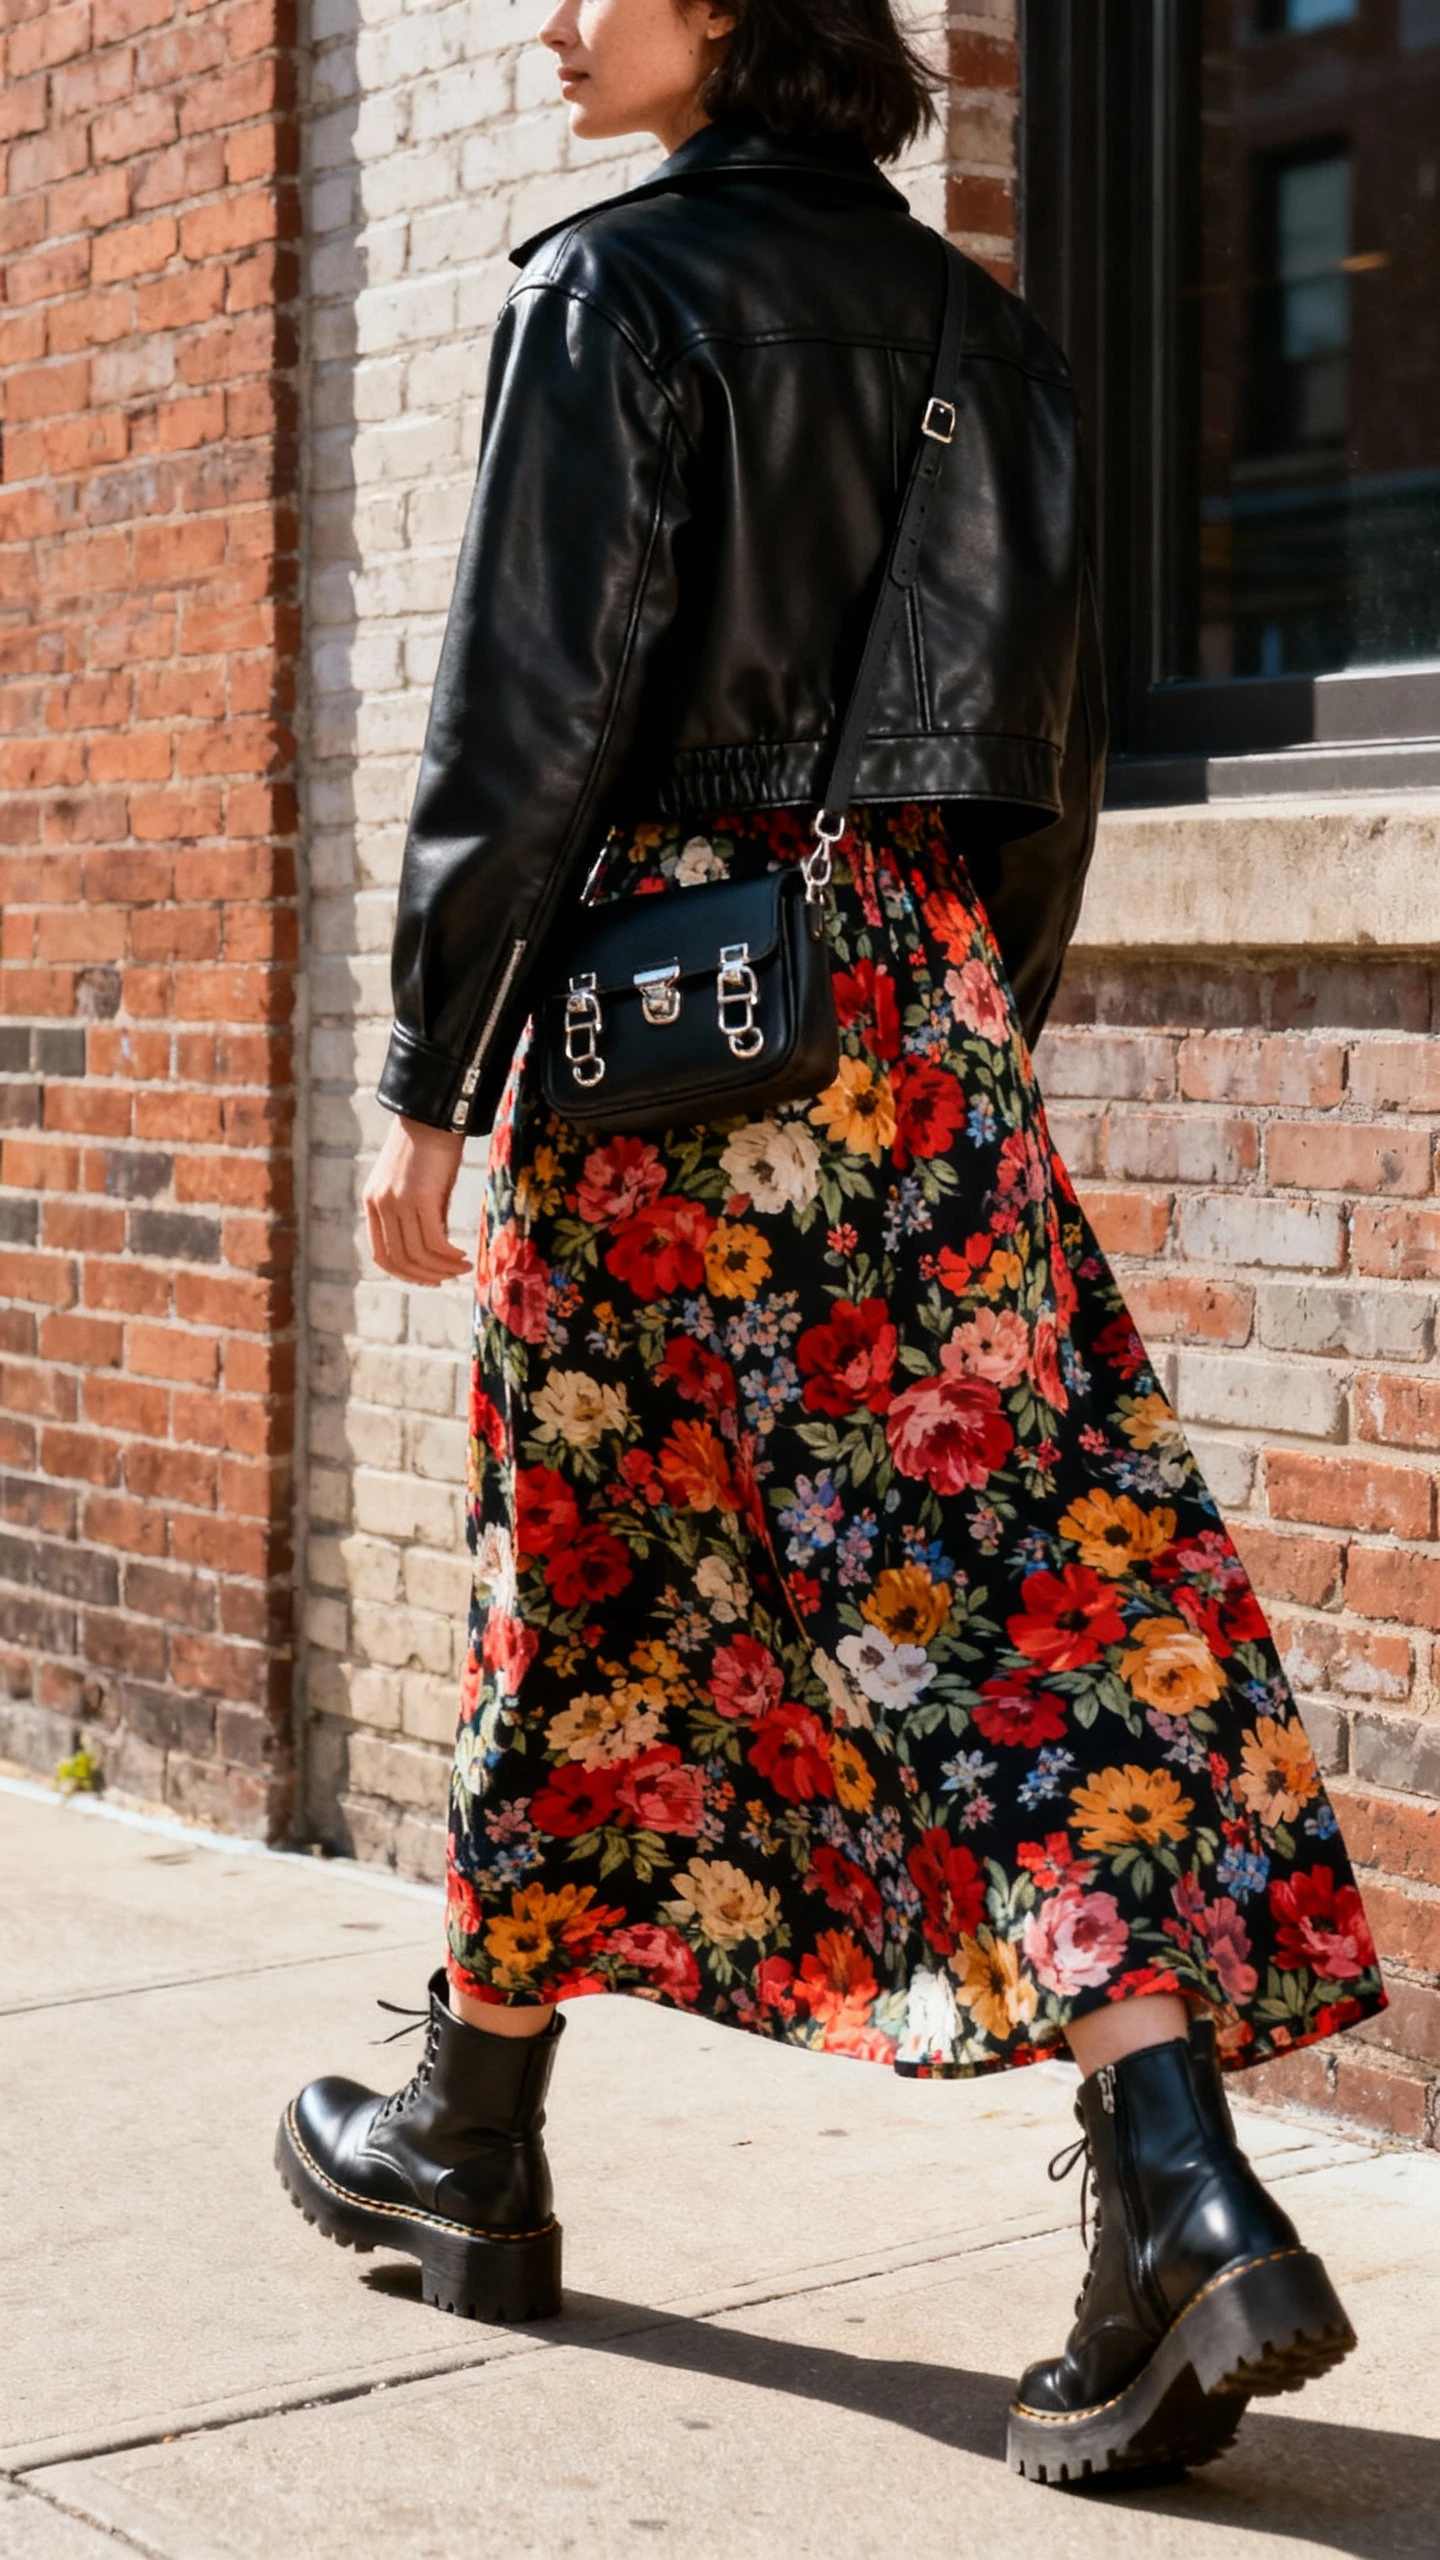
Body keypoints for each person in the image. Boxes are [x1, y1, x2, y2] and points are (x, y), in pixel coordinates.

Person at [277, 0, 1385, 2486]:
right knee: (932, 1562)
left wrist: (426, 1081)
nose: (557, 23)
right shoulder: (1002, 339)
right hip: (918, 996)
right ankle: (499, 2113)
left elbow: (527, 720)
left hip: (679, 1007)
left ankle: (1164, 2182)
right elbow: (1053, 764)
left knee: (689, 1556)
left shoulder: (610, 295)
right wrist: (971, 1037)